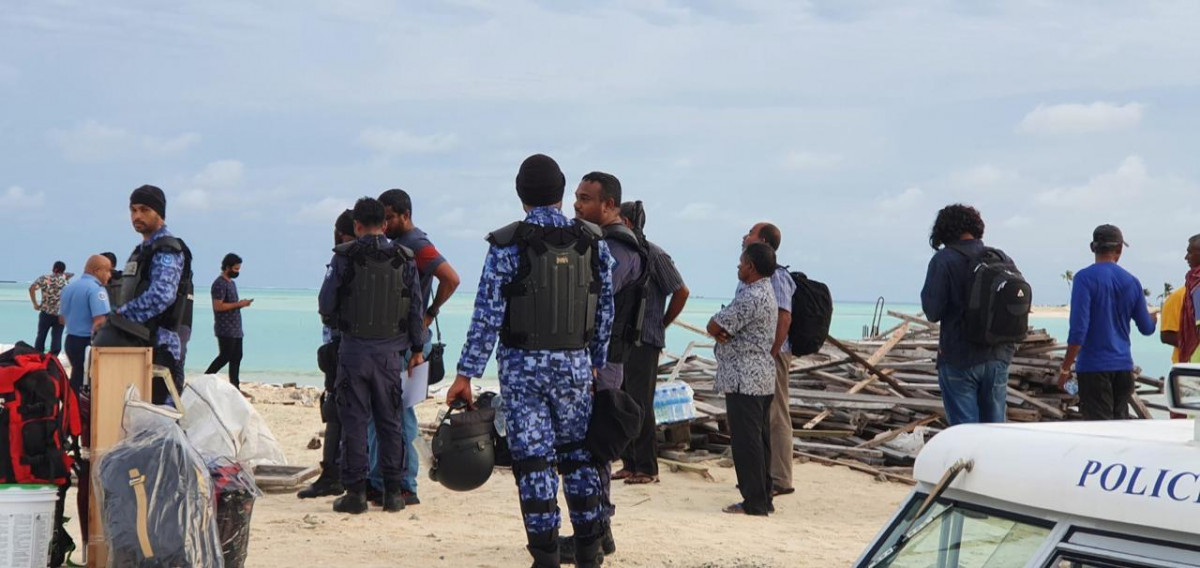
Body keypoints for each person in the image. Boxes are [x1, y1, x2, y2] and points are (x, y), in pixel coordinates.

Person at [446, 154, 615, 567]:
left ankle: (546, 556)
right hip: (575, 366)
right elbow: (605, 308)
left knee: (534, 463)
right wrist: (596, 362)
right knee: (579, 458)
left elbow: (487, 315)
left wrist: (466, 373)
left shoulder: (508, 244)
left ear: (521, 194)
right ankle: (590, 552)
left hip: (523, 374)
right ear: (561, 193)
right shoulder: (593, 241)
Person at [318, 197, 425, 514]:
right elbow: (415, 308)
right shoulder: (404, 257)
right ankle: (393, 492)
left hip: (354, 350)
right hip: (391, 354)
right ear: (384, 222)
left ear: (357, 226)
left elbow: (326, 305)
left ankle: (356, 494)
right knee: (390, 423)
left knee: (354, 422)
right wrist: (416, 349)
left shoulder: (344, 257)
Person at [569, 171, 646, 561]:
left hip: (605, 361)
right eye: (576, 197)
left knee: (594, 448)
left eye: (585, 199)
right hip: (603, 358)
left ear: (610, 204)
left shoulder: (618, 249)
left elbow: (589, 296)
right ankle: (601, 531)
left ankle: (598, 532)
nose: (577, 205)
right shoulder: (606, 243)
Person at [371, 188, 462, 506]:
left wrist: (430, 313)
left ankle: (408, 483)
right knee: (383, 409)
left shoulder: (417, 244)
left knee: (402, 411)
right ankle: (381, 479)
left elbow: (451, 278)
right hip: (398, 340)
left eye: (389, 217)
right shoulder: (397, 244)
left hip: (412, 343)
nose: (384, 224)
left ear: (404, 215)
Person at [920, 204, 1017, 426]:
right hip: (998, 355)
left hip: (958, 357)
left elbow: (932, 312)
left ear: (943, 230)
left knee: (965, 432)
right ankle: (995, 462)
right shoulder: (1001, 258)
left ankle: (971, 462)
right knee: (995, 428)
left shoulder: (943, 260)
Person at [614, 201, 689, 486]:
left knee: (639, 403)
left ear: (628, 223)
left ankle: (647, 468)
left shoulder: (655, 255)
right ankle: (629, 463)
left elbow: (681, 291)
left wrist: (662, 322)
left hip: (645, 340)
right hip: (621, 339)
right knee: (621, 401)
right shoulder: (624, 254)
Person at [707, 243, 779, 516]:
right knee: (760, 440)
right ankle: (764, 495)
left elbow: (715, 324)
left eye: (741, 262)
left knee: (746, 442)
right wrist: (722, 331)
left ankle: (754, 502)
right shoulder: (767, 291)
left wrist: (719, 331)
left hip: (744, 378)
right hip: (759, 375)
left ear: (750, 266)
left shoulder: (751, 296)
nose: (738, 266)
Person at [1058, 224, 1157, 420]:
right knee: (1119, 429)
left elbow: (1079, 331)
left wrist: (1064, 369)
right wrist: (1153, 319)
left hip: (1093, 369)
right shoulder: (1131, 281)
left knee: (1098, 433)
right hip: (1123, 369)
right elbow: (1146, 329)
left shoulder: (1083, 279)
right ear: (1119, 249)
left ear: (1092, 247)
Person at [113, 185, 192, 402]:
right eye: (133, 210)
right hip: (139, 344)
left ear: (159, 212)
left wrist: (121, 317)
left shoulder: (166, 248)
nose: (137, 215)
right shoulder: (143, 250)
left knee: (161, 421)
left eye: (144, 209)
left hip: (160, 347)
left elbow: (162, 295)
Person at [299, 210, 356, 500]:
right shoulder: (384, 257)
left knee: (335, 409)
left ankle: (332, 474)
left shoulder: (343, 258)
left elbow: (326, 303)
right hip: (372, 347)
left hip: (339, 343)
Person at [740, 222, 797, 496]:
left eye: (750, 232)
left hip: (772, 353)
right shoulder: (756, 273)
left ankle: (781, 479)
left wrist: (771, 351)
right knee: (761, 414)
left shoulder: (776, 276)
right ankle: (764, 475)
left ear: (761, 240)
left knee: (776, 414)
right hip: (759, 354)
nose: (744, 235)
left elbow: (784, 315)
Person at [58, 255, 113, 392]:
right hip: (87, 343)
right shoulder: (96, 290)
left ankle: (71, 410)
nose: (110, 275)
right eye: (108, 271)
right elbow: (99, 322)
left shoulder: (68, 288)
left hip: (70, 340)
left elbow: (61, 319)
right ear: (97, 270)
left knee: (76, 378)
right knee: (91, 383)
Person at [205, 253, 252, 390]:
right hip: (225, 328)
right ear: (227, 267)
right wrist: (239, 304)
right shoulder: (219, 284)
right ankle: (206, 378)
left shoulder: (232, 284)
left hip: (236, 328)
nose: (237, 272)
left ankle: (235, 387)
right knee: (225, 356)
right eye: (235, 269)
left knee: (237, 357)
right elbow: (218, 306)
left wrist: (241, 304)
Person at [1162, 235, 1200, 364]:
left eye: (1190, 252)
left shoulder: (1196, 287)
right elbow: (1166, 335)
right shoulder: (1179, 296)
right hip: (1190, 366)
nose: (1186, 257)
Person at [30, 260, 74, 355]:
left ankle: (38, 356)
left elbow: (32, 288)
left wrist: (35, 304)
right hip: (60, 315)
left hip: (46, 312)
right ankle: (53, 358)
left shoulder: (45, 278)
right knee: (57, 338)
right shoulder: (66, 282)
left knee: (41, 336)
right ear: (63, 271)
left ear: (54, 269)